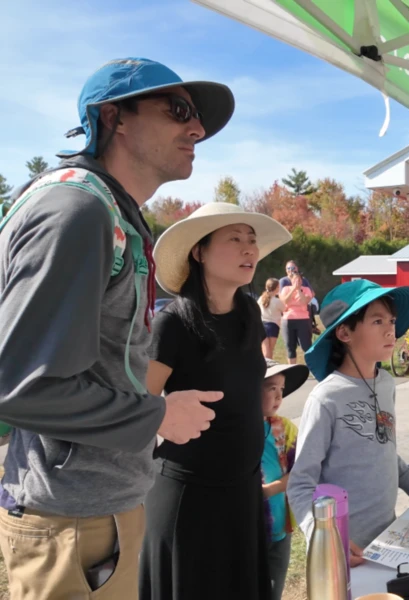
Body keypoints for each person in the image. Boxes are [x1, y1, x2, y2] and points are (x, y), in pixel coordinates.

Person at [0, 57, 234, 598]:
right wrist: (158, 415)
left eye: (196, 118)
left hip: (94, 512)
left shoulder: (109, 212)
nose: (196, 129)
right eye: (178, 111)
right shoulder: (78, 210)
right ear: (114, 118)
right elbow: (22, 386)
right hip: (71, 522)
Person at [140, 202, 292, 599]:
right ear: (199, 251)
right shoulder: (173, 323)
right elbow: (138, 406)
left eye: (252, 241)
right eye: (234, 239)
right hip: (188, 499)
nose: (249, 250)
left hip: (242, 493)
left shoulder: (248, 313)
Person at [288, 279, 409, 564]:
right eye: (377, 321)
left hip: (387, 537)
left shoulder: (386, 384)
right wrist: (325, 537)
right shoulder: (326, 398)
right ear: (344, 332)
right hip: (343, 549)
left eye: (391, 320)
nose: (391, 329)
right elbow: (300, 484)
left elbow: (383, 446)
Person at [259, 358, 309, 600]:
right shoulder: (236, 431)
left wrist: (271, 489)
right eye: (271, 389)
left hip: (281, 527)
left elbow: (301, 470)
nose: (279, 396)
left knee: (274, 588)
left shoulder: (285, 429)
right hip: (249, 530)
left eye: (281, 389)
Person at [279, 260, 315, 364]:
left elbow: (304, 301)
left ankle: (311, 368)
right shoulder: (285, 288)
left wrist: (299, 290)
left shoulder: (306, 289)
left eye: (299, 280)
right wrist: (293, 289)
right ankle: (292, 370)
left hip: (303, 319)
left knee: (306, 346)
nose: (297, 282)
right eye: (288, 269)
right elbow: (284, 300)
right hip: (288, 319)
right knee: (290, 347)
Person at [259, 277, 285, 358]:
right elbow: (285, 309)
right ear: (276, 288)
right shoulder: (277, 301)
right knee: (269, 350)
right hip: (272, 326)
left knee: (265, 349)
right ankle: (268, 368)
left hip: (261, 325)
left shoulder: (261, 298)